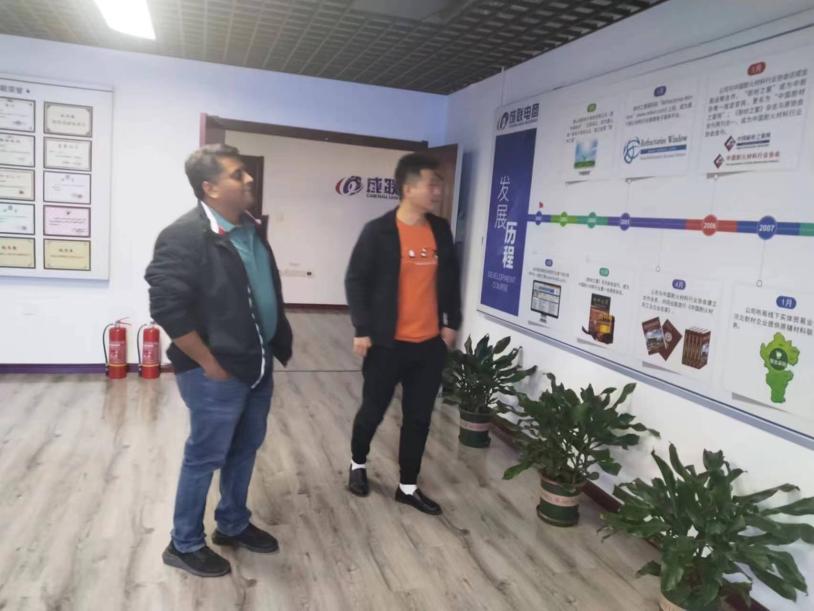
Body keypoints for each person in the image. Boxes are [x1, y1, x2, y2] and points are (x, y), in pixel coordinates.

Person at [145, 144, 293, 577]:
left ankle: (232, 523)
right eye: (237, 174)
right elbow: (166, 307)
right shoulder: (184, 235)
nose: (248, 179)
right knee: (206, 455)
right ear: (209, 188)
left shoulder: (250, 229)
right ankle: (184, 543)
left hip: (257, 362)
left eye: (246, 171)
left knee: (245, 448)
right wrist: (207, 362)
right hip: (216, 371)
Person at [344, 152, 462, 515]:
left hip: (428, 346)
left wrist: (451, 322)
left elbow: (450, 277)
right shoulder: (378, 231)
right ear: (408, 188)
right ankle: (358, 463)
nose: (437, 191)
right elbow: (355, 280)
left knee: (419, 418)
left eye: (439, 184)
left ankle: (408, 487)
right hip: (386, 344)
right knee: (373, 411)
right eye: (431, 184)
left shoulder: (440, 229)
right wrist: (362, 328)